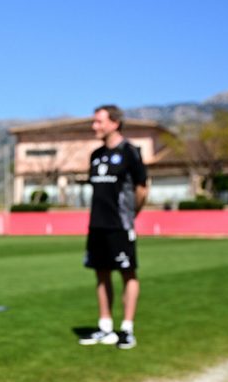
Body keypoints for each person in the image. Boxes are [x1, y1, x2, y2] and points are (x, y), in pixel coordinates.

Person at [78, 105, 149, 350]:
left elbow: (142, 188)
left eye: (98, 122)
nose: (94, 126)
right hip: (97, 224)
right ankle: (105, 327)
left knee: (128, 273)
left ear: (114, 123)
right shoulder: (95, 155)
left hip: (121, 225)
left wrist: (132, 214)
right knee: (101, 273)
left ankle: (126, 329)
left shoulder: (130, 152)